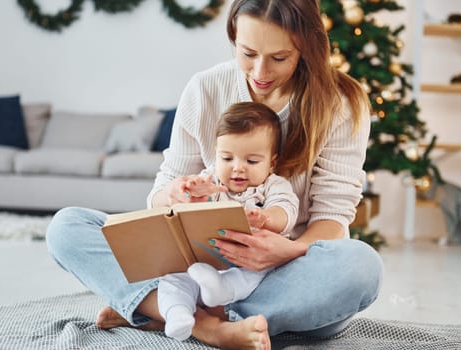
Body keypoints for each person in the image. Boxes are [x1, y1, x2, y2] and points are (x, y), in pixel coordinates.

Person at [46, 0, 384, 349]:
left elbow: (333, 219)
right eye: (248, 52)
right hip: (198, 267)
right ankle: (208, 326)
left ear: (307, 46)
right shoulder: (205, 89)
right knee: (67, 227)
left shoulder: (340, 102)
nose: (260, 72)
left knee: (361, 267)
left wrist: (283, 251)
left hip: (283, 271)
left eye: (279, 58)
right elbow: (161, 192)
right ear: (233, 36)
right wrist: (174, 196)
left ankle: (160, 309)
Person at [157, 101, 299, 341]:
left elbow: (286, 211)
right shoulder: (210, 180)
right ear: (216, 156)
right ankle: (177, 314)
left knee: (254, 276)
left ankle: (220, 291)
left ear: (271, 163)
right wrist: (193, 194)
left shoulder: (273, 185)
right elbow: (185, 208)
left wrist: (266, 218)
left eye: (251, 161)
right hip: (204, 258)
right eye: (227, 158)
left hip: (249, 261)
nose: (237, 169)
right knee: (173, 276)